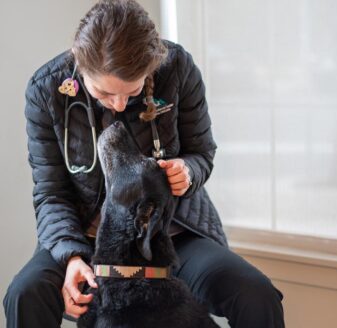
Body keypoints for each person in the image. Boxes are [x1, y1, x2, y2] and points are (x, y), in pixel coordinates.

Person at [2, 1, 284, 327]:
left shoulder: (177, 68)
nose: (120, 105)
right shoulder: (45, 90)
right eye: (105, 93)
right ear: (79, 64)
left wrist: (188, 171)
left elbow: (201, 151)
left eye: (132, 90)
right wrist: (71, 255)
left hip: (171, 234)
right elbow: (51, 193)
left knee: (255, 293)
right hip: (84, 237)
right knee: (25, 293)